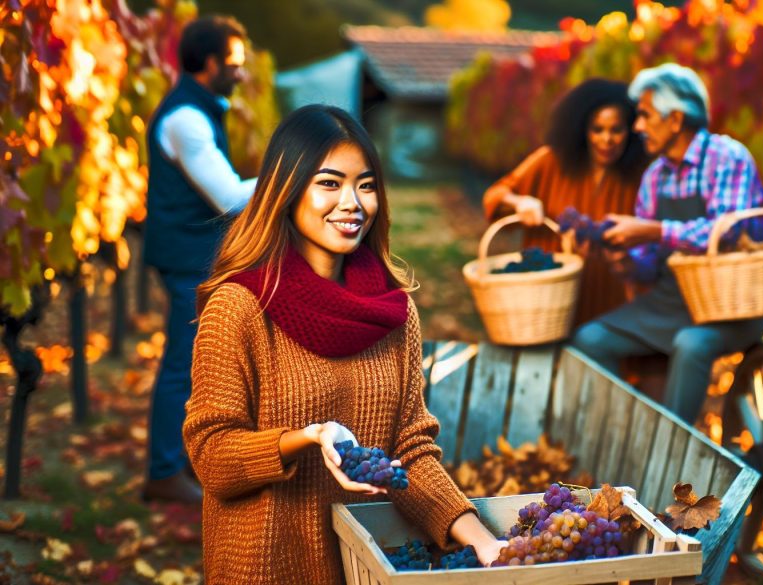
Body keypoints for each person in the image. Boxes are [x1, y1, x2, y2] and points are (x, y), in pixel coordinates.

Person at [183, 105, 505, 584]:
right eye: (330, 183)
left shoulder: (394, 314)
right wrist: (308, 438)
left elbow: (410, 451)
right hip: (267, 567)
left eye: (367, 184)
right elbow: (212, 457)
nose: (353, 202)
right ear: (288, 190)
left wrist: (482, 539)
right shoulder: (241, 307)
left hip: (364, 568)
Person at [571, 64, 763, 424]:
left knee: (692, 344)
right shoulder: (655, 176)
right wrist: (622, 260)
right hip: (672, 301)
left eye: (645, 116)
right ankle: (628, 432)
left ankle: (675, 453)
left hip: (735, 304)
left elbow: (725, 232)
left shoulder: (726, 157)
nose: (638, 127)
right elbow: (649, 263)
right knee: (590, 339)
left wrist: (652, 230)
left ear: (676, 119)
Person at [141, 15, 256, 503]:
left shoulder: (200, 109)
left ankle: (183, 461)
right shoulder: (186, 118)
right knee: (182, 363)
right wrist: (294, 176)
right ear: (209, 63)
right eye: (233, 64)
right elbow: (229, 196)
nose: (241, 74)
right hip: (186, 255)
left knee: (196, 361)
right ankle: (164, 472)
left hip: (193, 253)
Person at [482, 78, 649, 325]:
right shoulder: (551, 161)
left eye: (616, 130)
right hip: (547, 301)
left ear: (631, 130)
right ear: (582, 129)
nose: (607, 139)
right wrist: (520, 203)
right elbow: (495, 195)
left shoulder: (641, 175)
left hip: (611, 301)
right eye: (597, 129)